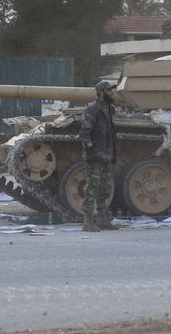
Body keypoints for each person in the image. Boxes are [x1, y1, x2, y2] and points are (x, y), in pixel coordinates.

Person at [78, 80, 119, 232]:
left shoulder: (108, 109)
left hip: (106, 155)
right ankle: (88, 222)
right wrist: (90, 148)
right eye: (109, 90)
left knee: (105, 189)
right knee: (92, 189)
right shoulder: (93, 109)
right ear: (101, 92)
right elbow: (84, 132)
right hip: (96, 156)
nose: (112, 92)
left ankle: (103, 220)